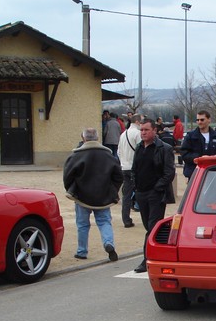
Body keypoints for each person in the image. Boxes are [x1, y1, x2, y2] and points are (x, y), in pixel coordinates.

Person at [63, 127, 123, 262]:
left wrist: (73, 190)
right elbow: (118, 176)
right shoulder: (108, 155)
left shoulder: (76, 155)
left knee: (82, 224)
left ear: (83, 138)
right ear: (97, 138)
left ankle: (81, 251)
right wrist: (112, 190)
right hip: (103, 196)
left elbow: (67, 176)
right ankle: (109, 243)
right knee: (104, 222)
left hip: (82, 196)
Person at [132, 118, 176, 273]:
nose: (143, 133)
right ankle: (159, 252)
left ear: (154, 131)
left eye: (146, 130)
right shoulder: (139, 147)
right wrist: (135, 190)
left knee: (152, 227)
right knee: (147, 226)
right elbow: (135, 170)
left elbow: (169, 172)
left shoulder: (164, 148)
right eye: (141, 130)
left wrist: (157, 188)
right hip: (141, 193)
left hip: (155, 194)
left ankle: (147, 259)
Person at [180, 110, 216, 180]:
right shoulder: (190, 136)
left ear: (209, 120)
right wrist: (199, 158)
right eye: (197, 120)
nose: (199, 122)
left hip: (213, 173)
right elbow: (184, 153)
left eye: (202, 120)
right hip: (194, 172)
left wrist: (212, 159)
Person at [117, 113, 142, 228]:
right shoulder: (137, 134)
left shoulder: (123, 134)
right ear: (137, 122)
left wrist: (123, 161)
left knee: (126, 195)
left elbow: (118, 152)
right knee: (142, 192)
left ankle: (126, 219)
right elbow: (141, 151)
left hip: (124, 167)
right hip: (135, 168)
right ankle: (142, 213)